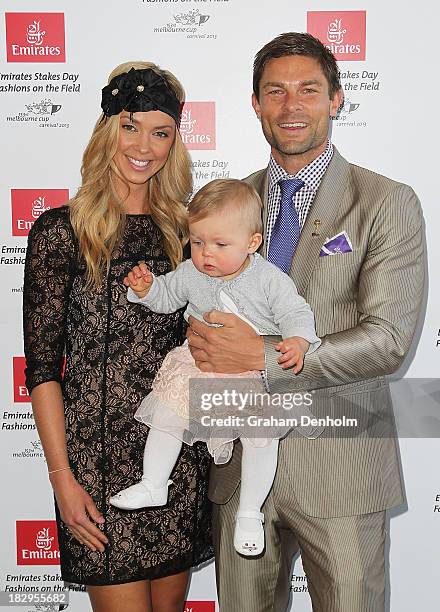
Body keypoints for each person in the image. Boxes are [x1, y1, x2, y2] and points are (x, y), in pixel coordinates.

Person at [186, 33, 425, 611]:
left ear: (337, 99)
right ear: (256, 104)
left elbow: (389, 340)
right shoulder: (226, 205)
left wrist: (260, 357)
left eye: (308, 91)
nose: (291, 106)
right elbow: (198, 324)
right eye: (276, 92)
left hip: (341, 471)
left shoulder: (384, 201)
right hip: (243, 471)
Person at [23, 62, 213, 612]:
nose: (144, 147)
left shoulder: (185, 234)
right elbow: (42, 370)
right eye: (131, 126)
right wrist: (63, 479)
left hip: (175, 459)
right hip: (95, 471)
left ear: (175, 141)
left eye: (161, 132)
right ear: (107, 128)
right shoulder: (62, 231)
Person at [108, 178, 321, 558]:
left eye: (221, 245)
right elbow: (167, 296)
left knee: (261, 437)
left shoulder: (268, 278)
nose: (207, 254)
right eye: (199, 241)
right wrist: (146, 290)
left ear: (252, 243)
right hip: (198, 367)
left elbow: (295, 312)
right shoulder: (191, 271)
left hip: (250, 375)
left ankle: (250, 511)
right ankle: (154, 481)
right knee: (167, 415)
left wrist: (298, 340)